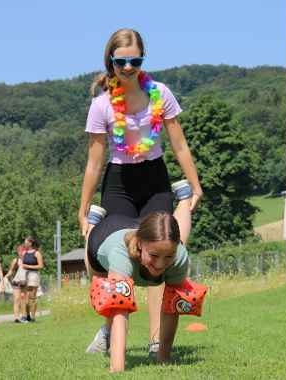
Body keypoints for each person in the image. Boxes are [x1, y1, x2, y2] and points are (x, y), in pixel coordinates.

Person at [79, 28, 204, 356]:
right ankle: (109, 332)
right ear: (111, 61)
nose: (129, 67)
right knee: (120, 258)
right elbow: (93, 163)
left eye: (136, 60)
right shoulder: (102, 104)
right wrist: (83, 208)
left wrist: (195, 184)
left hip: (154, 178)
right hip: (119, 182)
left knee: (156, 258)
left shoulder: (160, 93)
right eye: (122, 61)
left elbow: (179, 144)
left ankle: (155, 342)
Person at [85, 195, 206, 373]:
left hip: (139, 228)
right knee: (101, 290)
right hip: (104, 235)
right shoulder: (121, 253)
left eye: (168, 257)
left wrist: (163, 358)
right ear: (140, 245)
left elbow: (171, 308)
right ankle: (92, 222)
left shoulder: (179, 257)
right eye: (154, 256)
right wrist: (117, 369)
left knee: (173, 298)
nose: (160, 264)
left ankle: (183, 196)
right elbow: (119, 309)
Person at [17, 236, 44, 323]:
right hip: (24, 275)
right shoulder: (24, 253)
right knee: (24, 297)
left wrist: (27, 266)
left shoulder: (37, 253)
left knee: (32, 297)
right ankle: (25, 316)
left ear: (30, 243)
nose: (24, 243)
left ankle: (32, 316)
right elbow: (21, 264)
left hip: (33, 275)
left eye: (25, 242)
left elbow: (40, 266)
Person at [5, 244, 28, 323]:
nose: (21, 253)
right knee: (16, 299)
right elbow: (11, 271)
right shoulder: (16, 260)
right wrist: (6, 277)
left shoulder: (28, 260)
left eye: (22, 251)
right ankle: (16, 317)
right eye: (19, 251)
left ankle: (24, 316)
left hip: (25, 282)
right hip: (16, 281)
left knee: (23, 299)